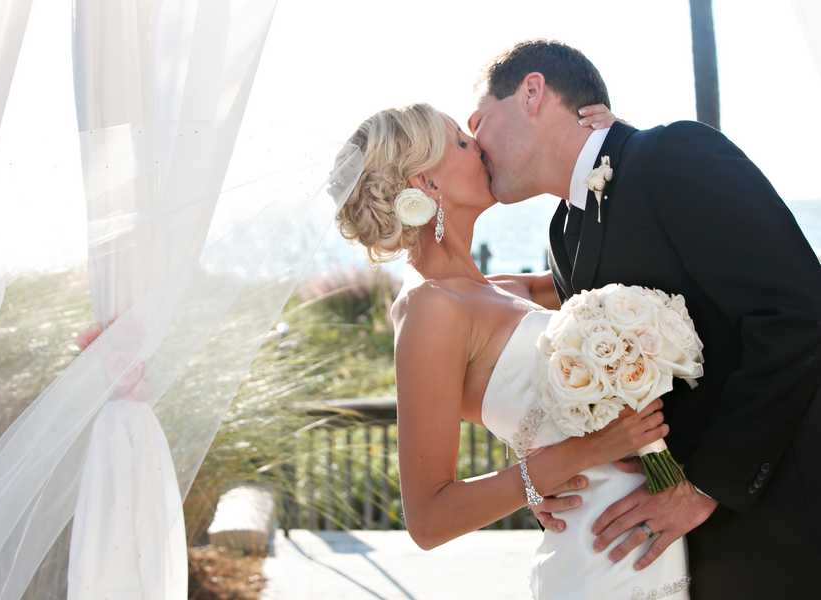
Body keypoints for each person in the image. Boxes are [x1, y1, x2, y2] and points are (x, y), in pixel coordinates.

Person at [468, 39, 821, 599]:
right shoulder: (563, 234)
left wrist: (705, 487)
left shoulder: (675, 153)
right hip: (668, 553)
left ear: (532, 93)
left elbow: (798, 313)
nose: (474, 141)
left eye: (478, 118)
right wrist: (554, 476)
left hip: (779, 525)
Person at [335, 102, 690, 599]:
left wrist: (608, 146)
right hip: (600, 554)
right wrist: (583, 453)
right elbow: (428, 519)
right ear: (425, 184)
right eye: (460, 141)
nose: (478, 146)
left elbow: (620, 264)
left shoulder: (504, 290)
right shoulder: (429, 310)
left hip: (652, 533)